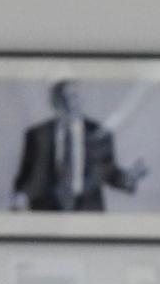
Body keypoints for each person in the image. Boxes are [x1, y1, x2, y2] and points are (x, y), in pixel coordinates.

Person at [12, 79, 149, 211]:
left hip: (88, 210)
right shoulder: (38, 135)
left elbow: (108, 172)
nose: (71, 103)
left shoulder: (98, 133)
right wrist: (20, 196)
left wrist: (129, 178)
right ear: (55, 102)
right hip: (47, 210)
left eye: (74, 96)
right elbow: (27, 176)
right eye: (64, 98)